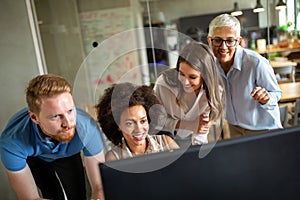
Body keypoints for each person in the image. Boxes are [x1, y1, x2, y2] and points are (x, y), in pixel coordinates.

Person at [0, 74, 105, 200]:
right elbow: (30, 198)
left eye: (70, 111)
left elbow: (99, 187)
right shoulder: (12, 142)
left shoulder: (87, 128)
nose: (68, 123)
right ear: (34, 118)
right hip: (35, 158)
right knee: (52, 193)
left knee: (78, 195)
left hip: (68, 153)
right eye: (56, 116)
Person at [206, 13, 282, 138]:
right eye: (218, 40)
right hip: (235, 128)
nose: (223, 47)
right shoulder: (211, 65)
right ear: (209, 40)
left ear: (239, 41)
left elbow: (276, 93)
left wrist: (267, 98)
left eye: (230, 40)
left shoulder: (256, 63)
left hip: (264, 130)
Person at [153, 42, 225, 145]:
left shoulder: (214, 92)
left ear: (205, 76)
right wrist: (188, 125)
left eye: (192, 77)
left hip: (193, 142)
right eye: (181, 74)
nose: (185, 82)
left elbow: (201, 131)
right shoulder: (163, 84)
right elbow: (155, 121)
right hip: (164, 143)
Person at [96, 82, 179, 161]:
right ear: (118, 126)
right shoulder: (114, 158)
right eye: (130, 123)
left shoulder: (166, 144)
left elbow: (185, 171)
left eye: (143, 121)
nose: (139, 129)